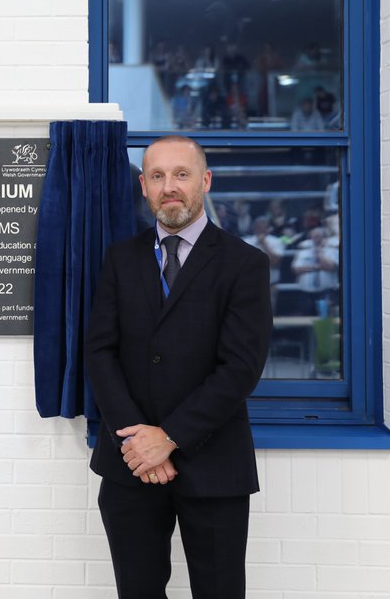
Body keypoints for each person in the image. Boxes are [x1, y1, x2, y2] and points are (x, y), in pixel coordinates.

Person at [84, 135, 272, 599]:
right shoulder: (119, 260)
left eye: (182, 174)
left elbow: (240, 369)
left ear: (204, 181)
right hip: (131, 468)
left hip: (213, 465)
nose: (170, 187)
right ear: (145, 187)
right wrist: (136, 440)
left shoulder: (245, 264)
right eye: (158, 176)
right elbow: (100, 352)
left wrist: (166, 439)